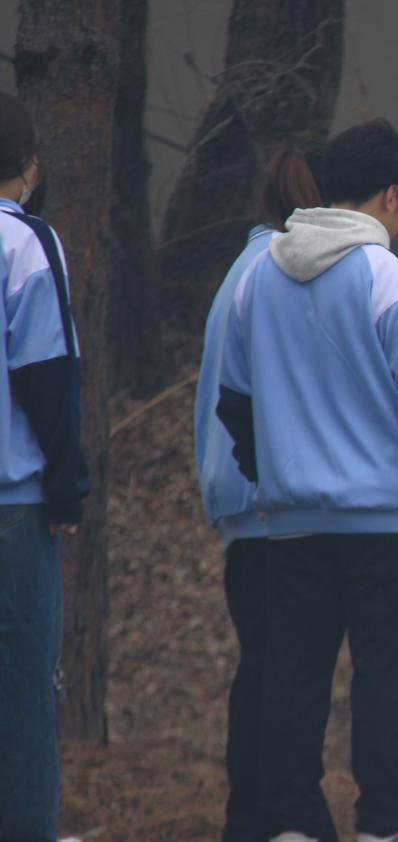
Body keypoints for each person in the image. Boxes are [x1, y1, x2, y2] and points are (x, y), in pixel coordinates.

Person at [216, 119, 398, 842]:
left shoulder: (259, 276)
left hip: (290, 525)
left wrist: (269, 472)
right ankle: (385, 824)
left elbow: (234, 403)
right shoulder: (383, 274)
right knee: (387, 678)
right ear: (390, 196)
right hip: (385, 523)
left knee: (294, 678)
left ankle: (293, 824)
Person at [194, 144, 322, 842]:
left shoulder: (241, 271)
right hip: (270, 502)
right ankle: (268, 819)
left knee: (263, 667)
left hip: (240, 499)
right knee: (280, 673)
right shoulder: (280, 274)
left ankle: (253, 817)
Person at [0, 91, 91, 842]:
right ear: (26, 162)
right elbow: (46, 374)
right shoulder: (24, 243)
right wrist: (67, 484)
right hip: (13, 506)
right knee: (25, 682)